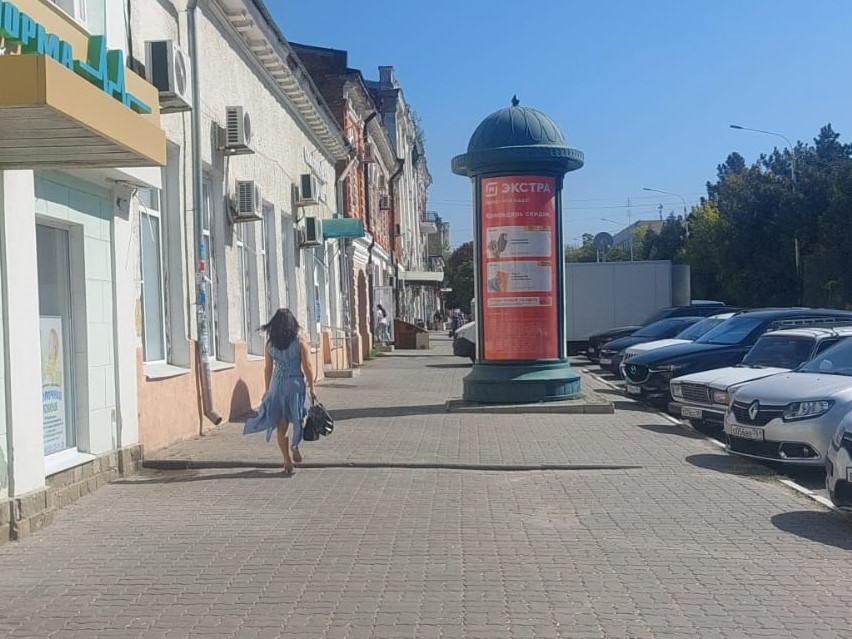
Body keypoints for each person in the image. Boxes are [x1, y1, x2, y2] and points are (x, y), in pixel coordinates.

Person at [243, 308, 317, 476]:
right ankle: (295, 444)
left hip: (277, 385)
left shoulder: (270, 345)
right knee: (299, 417)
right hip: (295, 383)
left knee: (281, 424)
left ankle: (286, 459)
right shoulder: (299, 342)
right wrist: (312, 387)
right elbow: (307, 366)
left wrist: (267, 389)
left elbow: (268, 369)